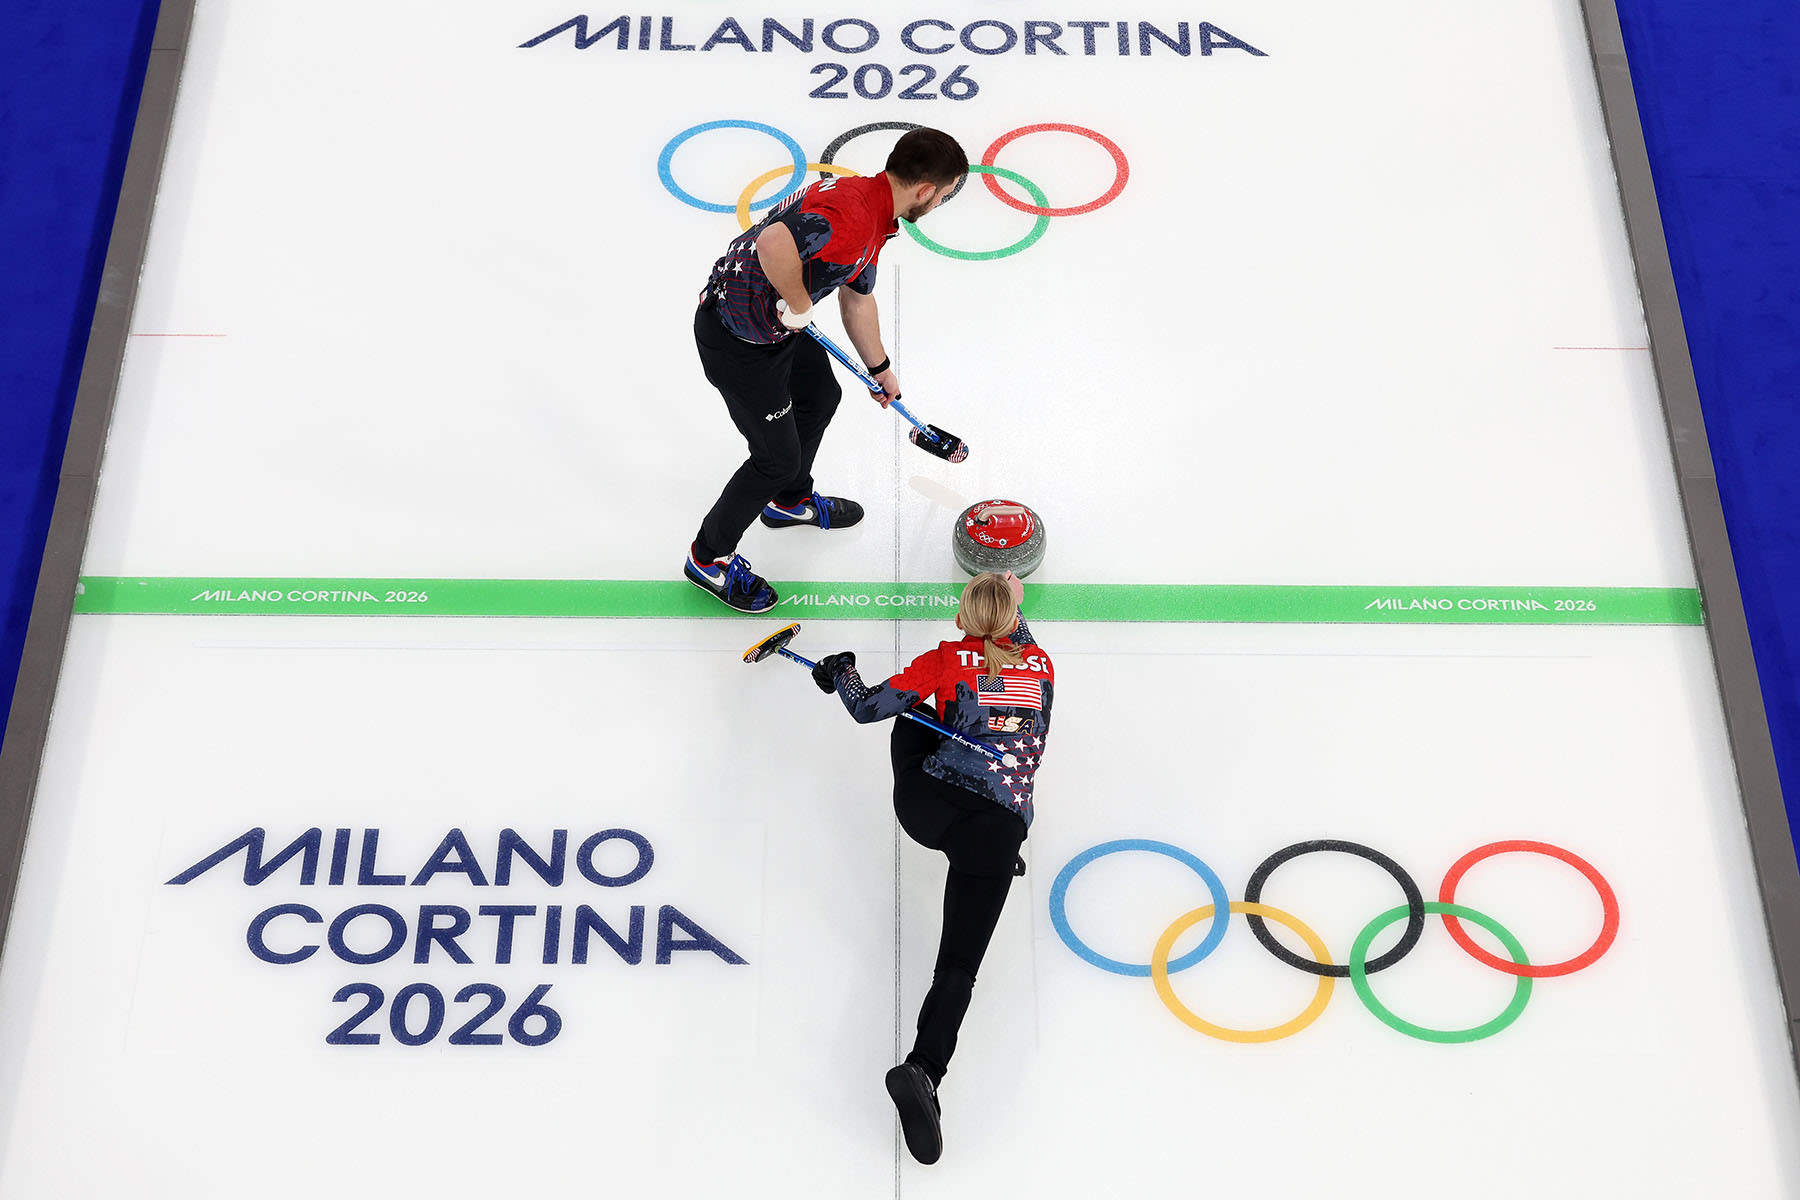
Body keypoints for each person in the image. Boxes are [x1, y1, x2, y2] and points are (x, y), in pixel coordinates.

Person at [810, 569, 1054, 1165]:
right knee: (957, 972)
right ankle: (925, 1070)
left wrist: (838, 672)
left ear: (961, 619)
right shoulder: (1043, 664)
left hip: (929, 807)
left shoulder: (946, 659)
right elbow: (1006, 631)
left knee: (912, 713)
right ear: (1015, 614)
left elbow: (868, 708)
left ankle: (920, 1074)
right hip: (999, 833)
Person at [685, 128, 970, 613]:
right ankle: (708, 559)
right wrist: (797, 303)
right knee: (773, 458)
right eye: (943, 195)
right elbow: (775, 242)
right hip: (740, 340)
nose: (940, 202)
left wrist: (879, 368)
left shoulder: (876, 211)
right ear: (925, 191)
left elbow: (857, 297)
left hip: (779, 327)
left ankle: (789, 501)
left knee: (821, 397)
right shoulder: (853, 216)